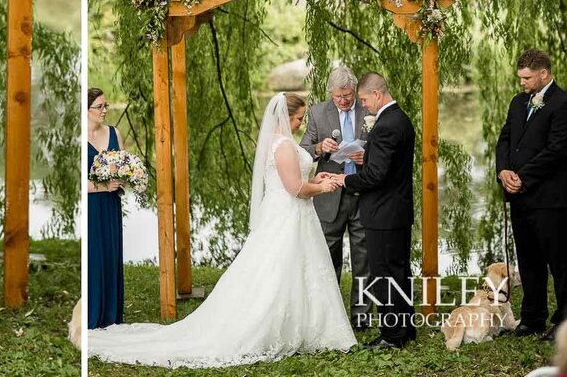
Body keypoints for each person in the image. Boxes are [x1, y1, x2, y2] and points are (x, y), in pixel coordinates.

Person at [88, 92, 356, 368]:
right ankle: (279, 325)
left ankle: (302, 324)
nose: (301, 123)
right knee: (278, 272)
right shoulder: (284, 146)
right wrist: (322, 187)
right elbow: (296, 189)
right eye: (299, 118)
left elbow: (297, 181)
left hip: (289, 216)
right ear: (287, 117)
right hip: (287, 216)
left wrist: (317, 178)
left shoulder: (278, 143)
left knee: (293, 270)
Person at [330, 72, 416, 348]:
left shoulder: (386, 125)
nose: (363, 104)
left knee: (384, 275)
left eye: (365, 99)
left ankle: (391, 336)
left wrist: (345, 179)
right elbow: (387, 166)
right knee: (400, 271)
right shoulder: (400, 119)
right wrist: (369, 156)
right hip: (397, 211)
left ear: (377, 94)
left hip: (383, 213)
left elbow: (375, 177)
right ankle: (405, 329)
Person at [495, 49, 567, 342]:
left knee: (560, 264)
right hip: (520, 198)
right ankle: (532, 318)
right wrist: (503, 172)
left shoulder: (562, 104)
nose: (522, 83)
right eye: (520, 77)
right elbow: (505, 139)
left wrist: (523, 177)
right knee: (529, 260)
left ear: (543, 74)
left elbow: (557, 150)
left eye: (526, 78)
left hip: (551, 200)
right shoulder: (518, 102)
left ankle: (563, 325)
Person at [299, 65, 371, 330]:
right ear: (331, 93)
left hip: (362, 192)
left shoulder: (368, 109)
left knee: (364, 258)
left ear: (354, 91)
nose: (342, 101)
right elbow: (303, 150)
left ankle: (361, 317)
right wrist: (319, 147)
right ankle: (330, 317)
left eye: (347, 96)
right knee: (328, 257)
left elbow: (383, 145)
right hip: (329, 194)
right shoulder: (318, 112)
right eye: (338, 96)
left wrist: (367, 155)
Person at [87, 87, 124, 329]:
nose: (104, 111)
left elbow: (123, 166)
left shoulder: (114, 133)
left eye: (105, 106)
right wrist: (103, 186)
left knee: (111, 255)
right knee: (94, 258)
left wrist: (126, 178)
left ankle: (111, 313)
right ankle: (93, 314)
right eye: (98, 107)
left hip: (111, 205)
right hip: (92, 206)